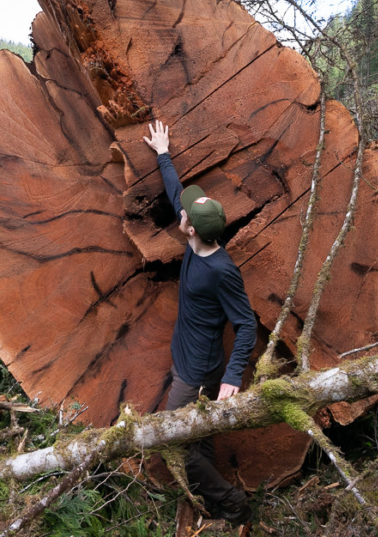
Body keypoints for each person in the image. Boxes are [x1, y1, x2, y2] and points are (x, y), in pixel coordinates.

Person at [143, 119, 256, 526]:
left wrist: (231, 377)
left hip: (200, 374)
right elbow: (177, 193)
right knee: (199, 444)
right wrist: (162, 153)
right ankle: (218, 507)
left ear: (190, 228)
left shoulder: (222, 271)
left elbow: (246, 324)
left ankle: (236, 504)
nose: (183, 211)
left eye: (187, 214)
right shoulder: (197, 239)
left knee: (174, 445)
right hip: (186, 360)